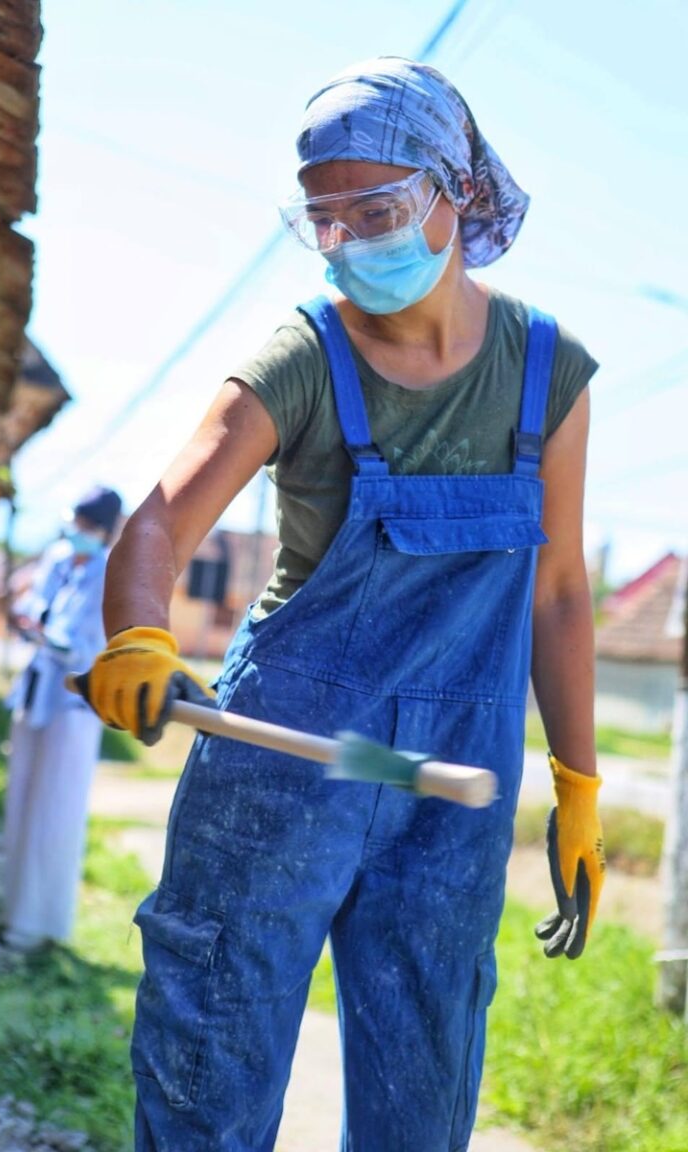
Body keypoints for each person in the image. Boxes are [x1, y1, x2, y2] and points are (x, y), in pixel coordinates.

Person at [78, 57, 606, 1151]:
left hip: (443, 793)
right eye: (325, 220)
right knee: (206, 1081)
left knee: (422, 1098)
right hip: (285, 766)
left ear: (453, 191)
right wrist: (137, 632)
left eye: (377, 210)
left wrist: (580, 784)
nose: (351, 242)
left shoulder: (547, 372)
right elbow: (161, 523)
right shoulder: (306, 355)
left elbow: (557, 593)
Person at [2, 485, 123, 952]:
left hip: (75, 705)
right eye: (76, 522)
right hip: (36, 693)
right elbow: (31, 603)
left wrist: (43, 631)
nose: (79, 533)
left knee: (56, 812)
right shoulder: (56, 556)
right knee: (21, 800)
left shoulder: (108, 572)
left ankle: (39, 926)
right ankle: (12, 909)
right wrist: (34, 621)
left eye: (89, 527)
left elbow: (82, 643)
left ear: (105, 531)